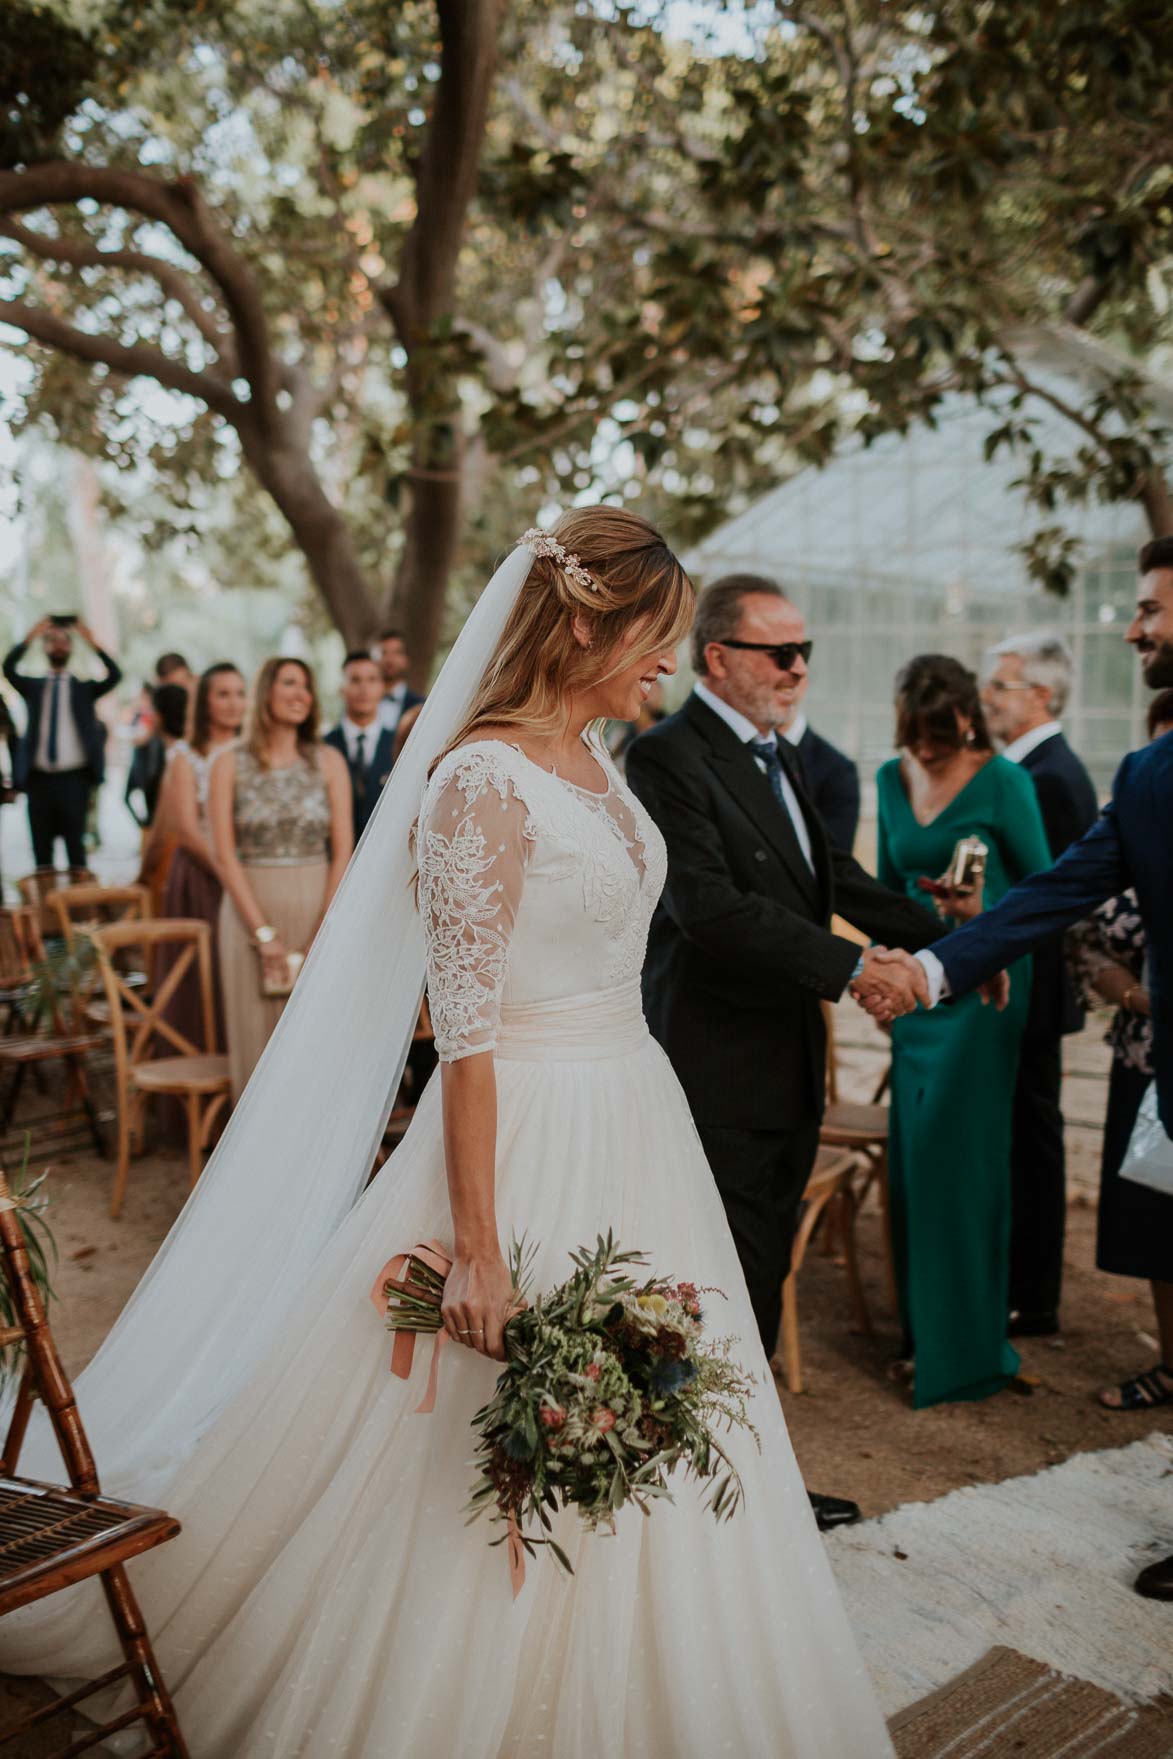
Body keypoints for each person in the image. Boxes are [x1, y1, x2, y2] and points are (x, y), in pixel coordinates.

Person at [0, 510, 895, 1756]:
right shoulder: (479, 777)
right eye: (658, 639)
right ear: (584, 619)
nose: (670, 667)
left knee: (662, 1397)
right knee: (483, 1435)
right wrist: (478, 1246)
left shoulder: (605, 764)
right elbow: (466, 1033)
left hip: (637, 1117)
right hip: (522, 1130)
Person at [867, 536, 1172, 1598]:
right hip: (999, 1013)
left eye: (1150, 609)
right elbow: (1051, 895)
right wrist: (935, 968)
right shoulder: (1146, 773)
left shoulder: (1031, 773)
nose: (1132, 628)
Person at [624, 572, 942, 1514]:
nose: (799, 667)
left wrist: (944, 941)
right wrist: (855, 973)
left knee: (759, 1278)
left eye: (805, 651)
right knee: (710, 1281)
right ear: (717, 657)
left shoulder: (779, 754)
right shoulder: (668, 757)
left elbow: (828, 877)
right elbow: (709, 908)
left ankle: (739, 1484)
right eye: (780, 651)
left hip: (785, 1063)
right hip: (714, 1062)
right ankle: (697, 1487)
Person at [876, 655, 1052, 1407]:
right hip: (916, 991)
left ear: (967, 723)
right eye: (914, 740)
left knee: (961, 1163)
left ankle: (965, 1351)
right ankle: (921, 1333)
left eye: (938, 744)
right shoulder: (887, 778)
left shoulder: (1006, 781)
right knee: (912, 1160)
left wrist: (979, 922)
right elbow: (883, 885)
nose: (923, 755)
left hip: (987, 989)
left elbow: (1045, 891)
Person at [983, 634, 1098, 1338]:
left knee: (1033, 1140)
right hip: (1023, 986)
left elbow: (1050, 899)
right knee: (1024, 1136)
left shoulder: (1049, 777)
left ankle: (1033, 1296)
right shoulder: (1034, 769)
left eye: (1000, 685)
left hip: (1036, 990)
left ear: (1040, 697)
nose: (987, 697)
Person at [1067, 688, 1173, 1418]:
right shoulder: (1134, 844)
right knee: (1153, 1228)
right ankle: (1171, 1361)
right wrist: (1136, 998)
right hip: (1143, 1060)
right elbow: (1085, 938)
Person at [210, 658, 352, 1101]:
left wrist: (324, 930)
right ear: (266, 692)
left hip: (317, 910)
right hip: (249, 916)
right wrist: (263, 934)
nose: (301, 694)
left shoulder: (329, 761)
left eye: (307, 686)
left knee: (318, 1043)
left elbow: (343, 850)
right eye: (290, 683)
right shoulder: (227, 764)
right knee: (258, 1049)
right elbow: (223, 854)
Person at [151, 663, 247, 1056]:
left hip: (247, 872)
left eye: (240, 693)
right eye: (222, 694)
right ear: (204, 701)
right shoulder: (185, 757)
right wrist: (227, 871)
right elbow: (186, 831)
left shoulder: (251, 753)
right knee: (207, 977)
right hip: (202, 877)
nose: (233, 703)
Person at [2, 615, 121, 870]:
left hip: (74, 780)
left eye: (64, 641)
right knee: (41, 855)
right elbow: (8, 668)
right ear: (44, 647)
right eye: (52, 640)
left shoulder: (84, 689)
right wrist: (31, 636)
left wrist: (91, 641)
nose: (58, 645)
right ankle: (45, 907)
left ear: (71, 647)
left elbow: (115, 675)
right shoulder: (33, 687)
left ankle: (76, 908)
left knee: (76, 852)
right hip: (38, 781)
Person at [778, 663, 861, 851]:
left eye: (788, 684)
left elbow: (834, 861)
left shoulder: (837, 769)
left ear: (804, 682)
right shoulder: (738, 751)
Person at [323, 651, 396, 842]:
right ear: (342, 688)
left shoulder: (400, 745)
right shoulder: (323, 746)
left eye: (372, 680)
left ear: (383, 687)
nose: (364, 689)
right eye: (355, 680)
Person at [125, 651, 197, 828]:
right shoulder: (158, 710)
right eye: (169, 687)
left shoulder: (202, 699)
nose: (175, 694)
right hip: (160, 765)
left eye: (179, 686)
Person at [136, 682, 191, 912]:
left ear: (158, 717)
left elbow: (162, 829)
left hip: (173, 863)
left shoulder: (176, 759)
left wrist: (143, 872)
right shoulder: (189, 753)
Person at [376, 626, 425, 738]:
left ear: (406, 660)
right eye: (384, 652)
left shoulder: (421, 706)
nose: (390, 659)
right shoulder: (362, 703)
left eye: (397, 653)